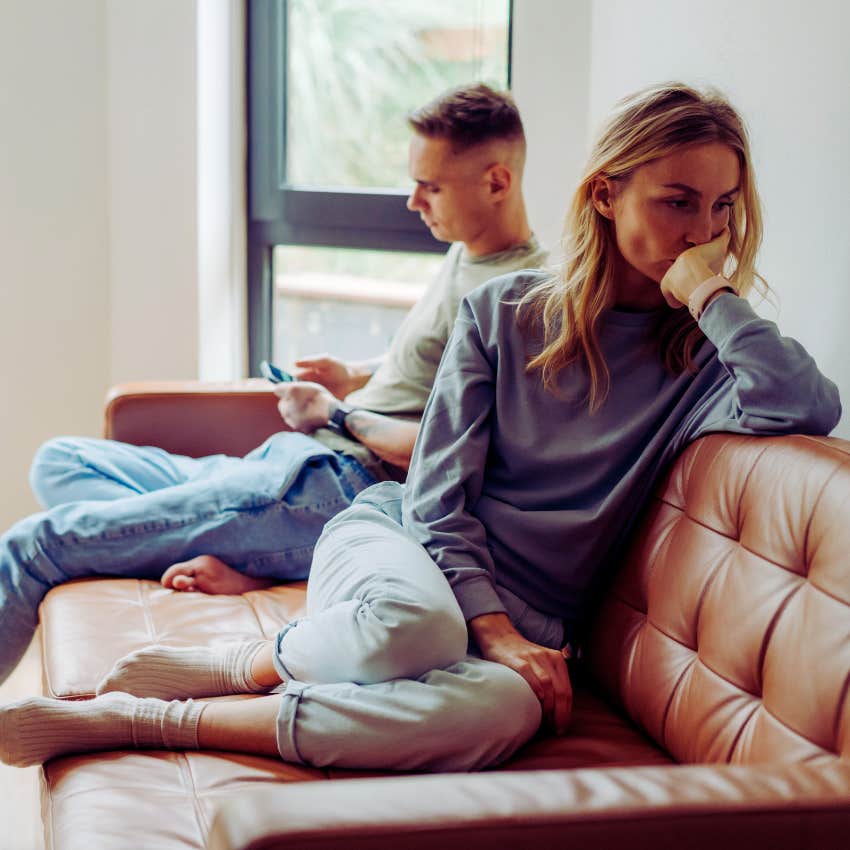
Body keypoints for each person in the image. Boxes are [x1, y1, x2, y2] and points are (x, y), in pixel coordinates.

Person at [1, 82, 840, 772]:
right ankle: (239, 665)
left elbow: (805, 406)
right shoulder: (503, 313)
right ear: (606, 194)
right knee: (423, 626)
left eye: (724, 207)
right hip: (402, 544)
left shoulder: (699, 361)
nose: (704, 233)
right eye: (678, 202)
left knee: (506, 712)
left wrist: (711, 295)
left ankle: (153, 719)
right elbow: (435, 499)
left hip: (522, 629)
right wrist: (496, 630)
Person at [0, 83, 545, 686]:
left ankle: (227, 540)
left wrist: (335, 413)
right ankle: (225, 545)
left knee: (34, 544)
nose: (413, 202)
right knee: (60, 460)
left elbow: (447, 456)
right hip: (294, 466)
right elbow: (429, 370)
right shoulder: (469, 251)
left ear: (497, 182)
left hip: (338, 487)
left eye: (431, 186)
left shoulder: (518, 299)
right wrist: (355, 374)